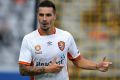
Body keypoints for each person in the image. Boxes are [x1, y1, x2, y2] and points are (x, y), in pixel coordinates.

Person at [18, 0, 112, 80]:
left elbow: (78, 61)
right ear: (37, 16)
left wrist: (96, 66)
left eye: (48, 15)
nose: (44, 19)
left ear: (54, 16)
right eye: (41, 15)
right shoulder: (28, 39)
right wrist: (47, 69)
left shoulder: (65, 36)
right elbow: (22, 70)